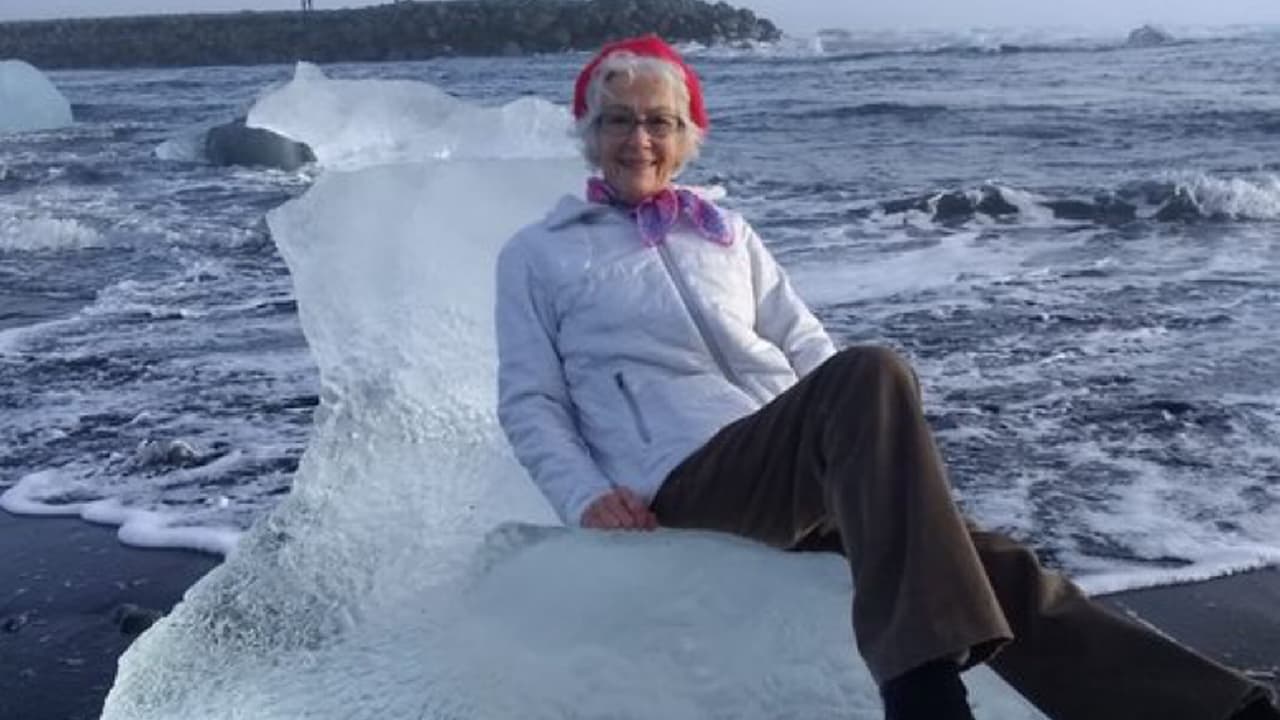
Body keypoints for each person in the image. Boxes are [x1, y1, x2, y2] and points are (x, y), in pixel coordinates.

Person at [494, 34, 1280, 720]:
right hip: (682, 476)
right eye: (619, 120)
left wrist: (860, 450)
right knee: (872, 371)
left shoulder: (724, 232)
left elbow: (801, 338)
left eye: (659, 121)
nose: (639, 139)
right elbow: (532, 400)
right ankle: (921, 692)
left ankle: (1218, 710)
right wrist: (585, 494)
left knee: (988, 563)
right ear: (590, 136)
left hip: (790, 462)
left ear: (687, 136)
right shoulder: (541, 253)